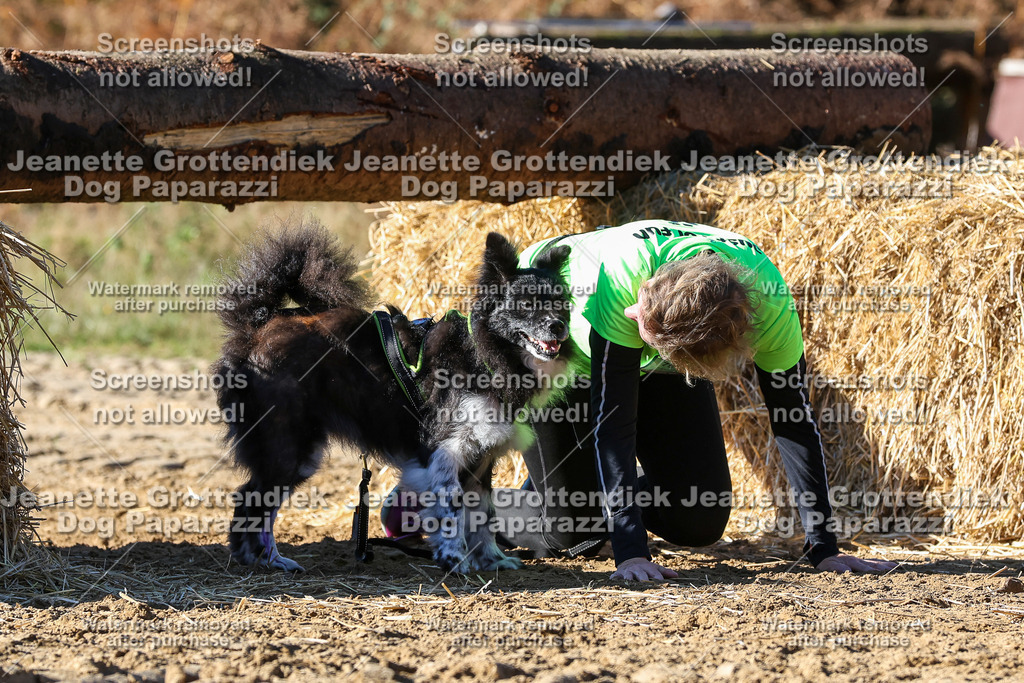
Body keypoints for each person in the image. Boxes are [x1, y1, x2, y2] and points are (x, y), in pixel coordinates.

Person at [486, 219, 897, 580]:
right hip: (553, 349)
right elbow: (615, 423)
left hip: (669, 345)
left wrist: (824, 547)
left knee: (698, 517)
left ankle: (581, 488)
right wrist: (631, 553)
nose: (634, 316)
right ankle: (487, 509)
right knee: (573, 530)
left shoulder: (771, 306)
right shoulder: (625, 284)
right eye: (642, 317)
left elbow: (794, 421)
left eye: (645, 329)